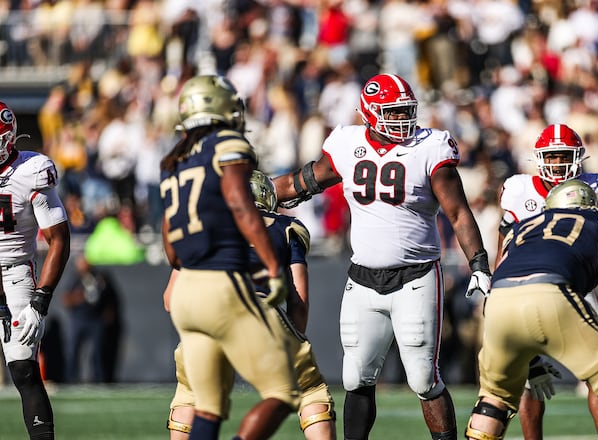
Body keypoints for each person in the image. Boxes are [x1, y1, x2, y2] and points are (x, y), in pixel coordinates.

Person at [273, 73, 492, 440]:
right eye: (393, 112)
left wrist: (479, 263)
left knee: (424, 378)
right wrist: (258, 192)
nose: (402, 119)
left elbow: (458, 212)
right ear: (370, 114)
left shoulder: (429, 147)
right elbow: (304, 180)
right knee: (356, 376)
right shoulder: (346, 142)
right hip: (363, 278)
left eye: (406, 111)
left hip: (417, 276)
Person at [466, 179, 598, 440]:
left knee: (493, 401)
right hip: (551, 291)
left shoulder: (523, 226)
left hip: (500, 302)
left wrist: (530, 359)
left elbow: (498, 282)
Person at [159, 74, 297, 440]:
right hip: (220, 286)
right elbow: (240, 202)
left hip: (186, 291)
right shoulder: (226, 143)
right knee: (284, 390)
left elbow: (171, 248)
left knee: (208, 407)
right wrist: (271, 264)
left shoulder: (175, 160)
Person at [165, 170, 336, 440]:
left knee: (189, 395)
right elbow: (298, 298)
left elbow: (170, 300)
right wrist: (294, 339)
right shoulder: (286, 227)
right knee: (309, 391)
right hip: (258, 312)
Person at [495, 123, 598, 439]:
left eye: (564, 156)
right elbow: (504, 248)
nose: (558, 164)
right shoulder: (518, 189)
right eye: (551, 157)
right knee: (527, 376)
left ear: (578, 157)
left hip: (580, 287)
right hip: (526, 289)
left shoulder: (593, 187)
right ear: (539, 159)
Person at [0, 101, 71, 439]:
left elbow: (58, 239)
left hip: (14, 275)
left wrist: (41, 300)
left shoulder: (30, 172)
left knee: (24, 371)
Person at [60, 253, 122, 384]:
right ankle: (71, 380)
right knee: (73, 350)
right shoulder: (74, 279)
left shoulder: (100, 278)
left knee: (98, 352)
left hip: (96, 320)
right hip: (79, 320)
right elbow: (66, 299)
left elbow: (111, 299)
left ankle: (100, 380)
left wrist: (108, 315)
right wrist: (82, 297)